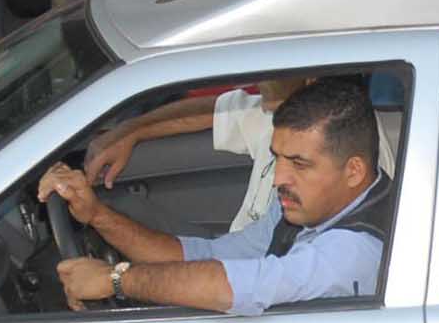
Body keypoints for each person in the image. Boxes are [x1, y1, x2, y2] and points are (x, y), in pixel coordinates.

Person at [36, 76, 394, 314]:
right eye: (278, 158)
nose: (278, 178)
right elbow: (204, 255)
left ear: (354, 171)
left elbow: (237, 287)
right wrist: (97, 215)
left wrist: (115, 279)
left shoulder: (353, 252)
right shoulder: (303, 211)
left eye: (299, 163)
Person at [87, 74, 315, 234]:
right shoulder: (270, 117)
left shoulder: (332, 154)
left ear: (311, 79)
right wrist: (130, 131)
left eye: (272, 69)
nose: (257, 76)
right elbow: (209, 111)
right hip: (234, 259)